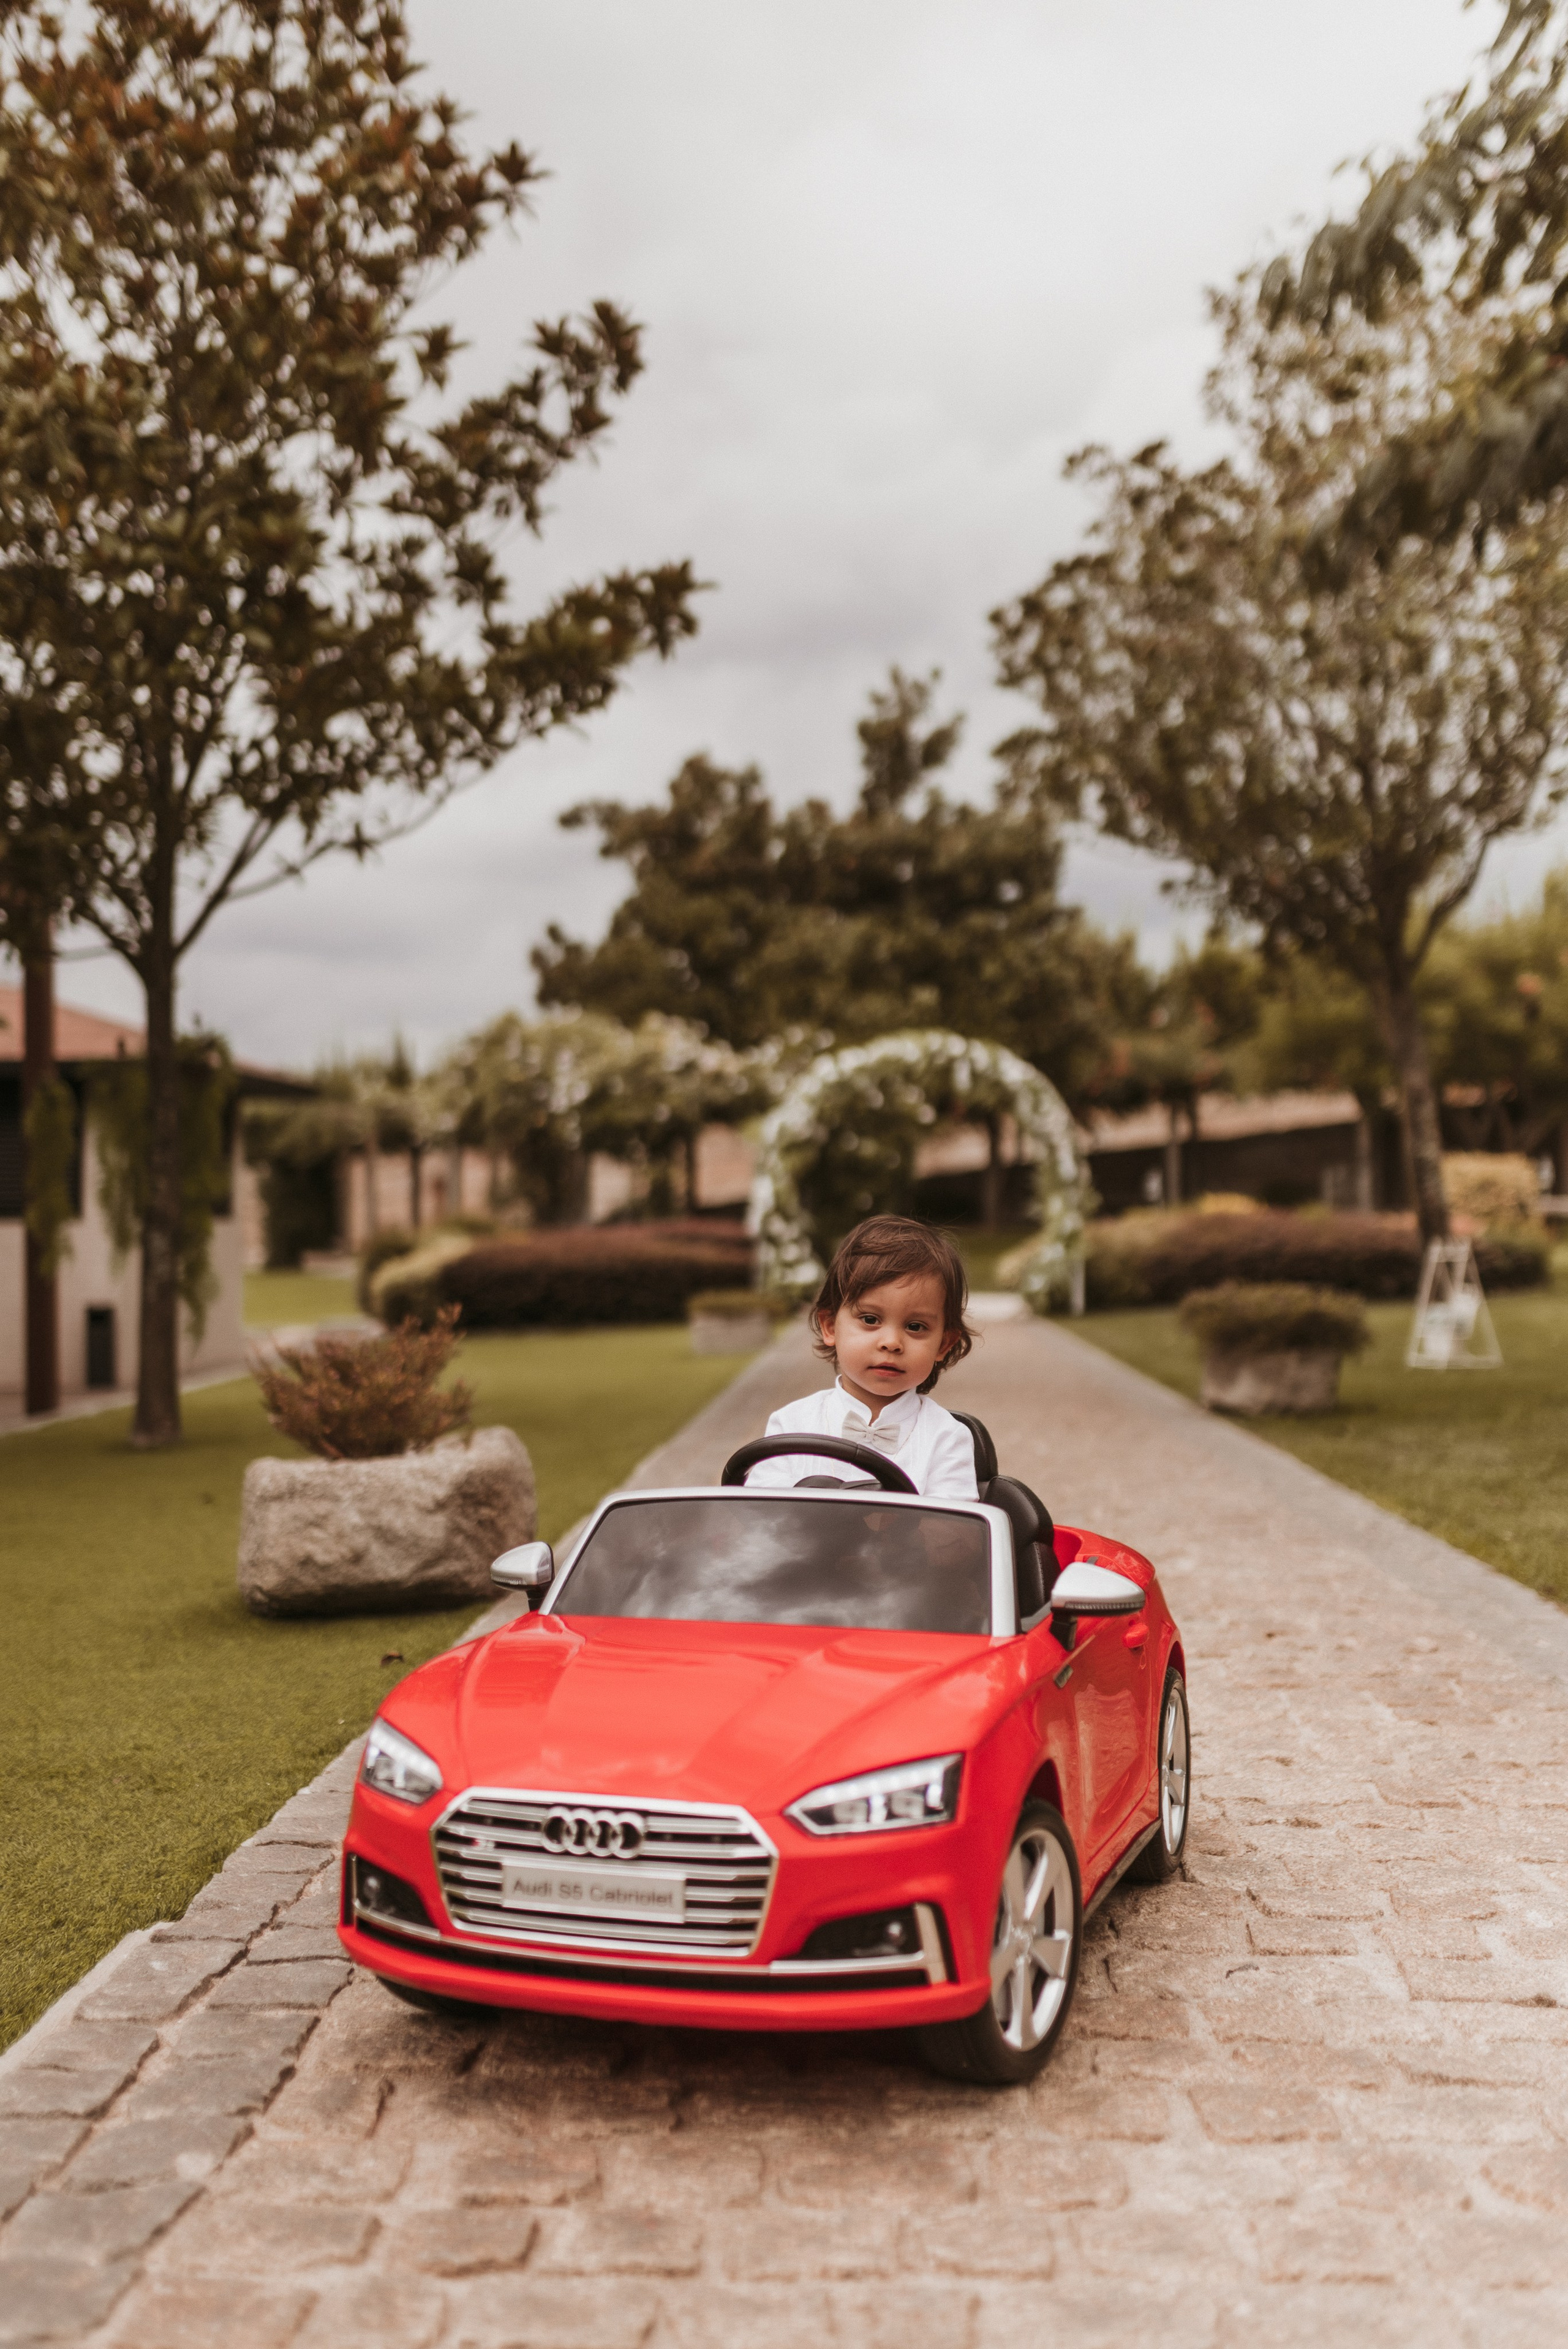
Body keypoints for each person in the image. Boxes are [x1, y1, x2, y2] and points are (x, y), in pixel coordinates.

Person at [746, 1215, 979, 1499]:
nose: (891, 1343)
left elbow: (951, 1525)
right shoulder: (791, 1425)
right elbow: (761, 1514)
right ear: (831, 1327)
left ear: (943, 1344)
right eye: (870, 1319)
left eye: (915, 1327)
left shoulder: (947, 1438)